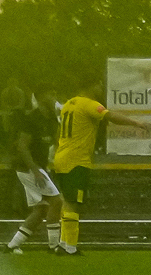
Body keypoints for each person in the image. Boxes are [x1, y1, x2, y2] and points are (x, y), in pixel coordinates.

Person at [42, 83, 107, 254]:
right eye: (99, 86)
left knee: (66, 201)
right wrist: (136, 122)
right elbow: (109, 116)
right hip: (77, 160)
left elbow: (58, 130)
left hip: (62, 157)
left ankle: (64, 244)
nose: (101, 89)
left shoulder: (69, 104)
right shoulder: (89, 104)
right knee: (74, 203)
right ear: (90, 85)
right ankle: (70, 247)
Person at [6, 85, 63, 253]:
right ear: (41, 97)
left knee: (41, 209)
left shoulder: (52, 118)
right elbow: (22, 147)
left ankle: (12, 246)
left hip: (40, 166)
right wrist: (36, 170)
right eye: (50, 93)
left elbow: (56, 141)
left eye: (55, 93)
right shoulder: (31, 118)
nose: (54, 96)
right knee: (57, 201)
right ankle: (53, 246)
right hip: (28, 167)